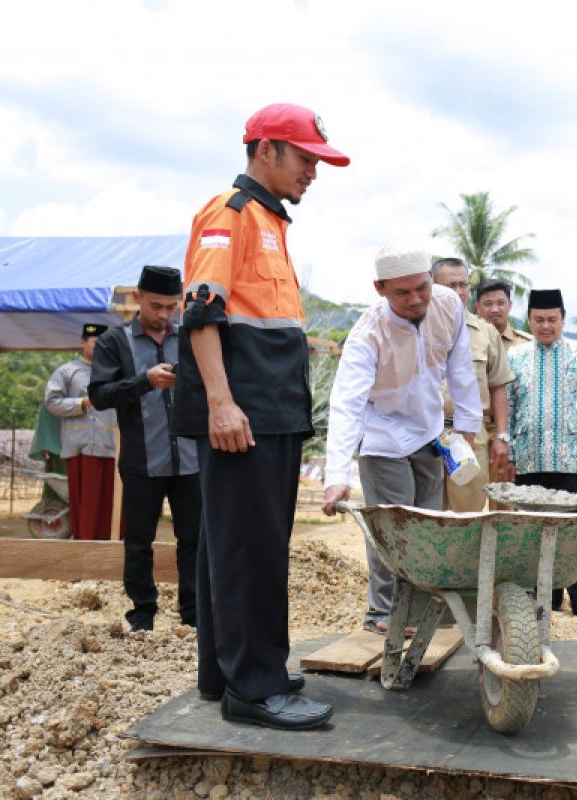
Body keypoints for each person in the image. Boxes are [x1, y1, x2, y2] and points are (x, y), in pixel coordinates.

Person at [174, 102, 349, 731]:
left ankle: (226, 672)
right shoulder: (232, 213)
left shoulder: (272, 223)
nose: (313, 173)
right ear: (266, 150)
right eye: (305, 159)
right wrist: (221, 403)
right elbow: (202, 313)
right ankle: (257, 688)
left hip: (269, 410)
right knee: (253, 549)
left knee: (234, 543)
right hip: (244, 411)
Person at [321, 248, 481, 631]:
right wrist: (336, 476)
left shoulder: (448, 305)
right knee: (394, 528)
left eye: (421, 288)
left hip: (427, 431)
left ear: (431, 278)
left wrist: (468, 424)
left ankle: (417, 611)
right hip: (383, 437)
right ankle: (382, 612)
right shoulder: (367, 336)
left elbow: (460, 367)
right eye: (402, 293)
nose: (415, 300)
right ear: (380, 289)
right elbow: (347, 405)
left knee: (426, 529)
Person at [89, 266, 200, 632]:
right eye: (157, 306)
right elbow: (99, 395)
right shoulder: (113, 342)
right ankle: (142, 614)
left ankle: (194, 615)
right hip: (141, 461)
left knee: (195, 540)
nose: (165, 315)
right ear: (137, 298)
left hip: (190, 460)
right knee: (138, 541)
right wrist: (144, 381)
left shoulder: (190, 337)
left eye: (172, 307)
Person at [506, 288, 577, 615]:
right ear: (529, 320)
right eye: (539, 320)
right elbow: (510, 407)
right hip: (529, 460)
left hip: (570, 459)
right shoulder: (514, 357)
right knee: (532, 534)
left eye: (552, 320)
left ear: (563, 319)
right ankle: (546, 604)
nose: (546, 326)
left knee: (574, 534)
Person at [431, 257, 514, 511]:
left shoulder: (486, 332)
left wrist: (501, 436)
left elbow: (498, 386)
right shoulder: (419, 328)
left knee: (467, 516)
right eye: (450, 285)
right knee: (427, 512)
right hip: (427, 434)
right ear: (432, 285)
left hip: (469, 436)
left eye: (463, 285)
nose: (458, 292)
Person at [45, 323, 118, 540]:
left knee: (110, 505)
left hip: (111, 447)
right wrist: (82, 403)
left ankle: (108, 551)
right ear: (83, 342)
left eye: (105, 343)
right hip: (80, 448)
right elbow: (51, 402)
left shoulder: (117, 373)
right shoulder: (67, 372)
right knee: (84, 505)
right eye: (96, 342)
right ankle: (84, 549)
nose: (100, 347)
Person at [476, 279, 533, 352]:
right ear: (478, 308)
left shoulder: (527, 344)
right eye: (488, 304)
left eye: (501, 303)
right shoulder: (466, 341)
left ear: (510, 305)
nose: (495, 310)